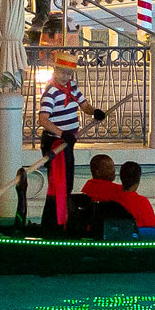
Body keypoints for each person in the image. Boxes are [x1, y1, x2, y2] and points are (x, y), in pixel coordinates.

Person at [37, 52, 105, 231]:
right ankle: (53, 225)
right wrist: (62, 133)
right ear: (56, 69)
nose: (67, 77)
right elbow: (43, 120)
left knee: (66, 183)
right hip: (55, 142)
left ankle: (61, 222)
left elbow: (84, 105)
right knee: (58, 185)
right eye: (65, 73)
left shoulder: (72, 87)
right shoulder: (50, 92)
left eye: (70, 73)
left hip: (67, 141)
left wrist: (94, 112)